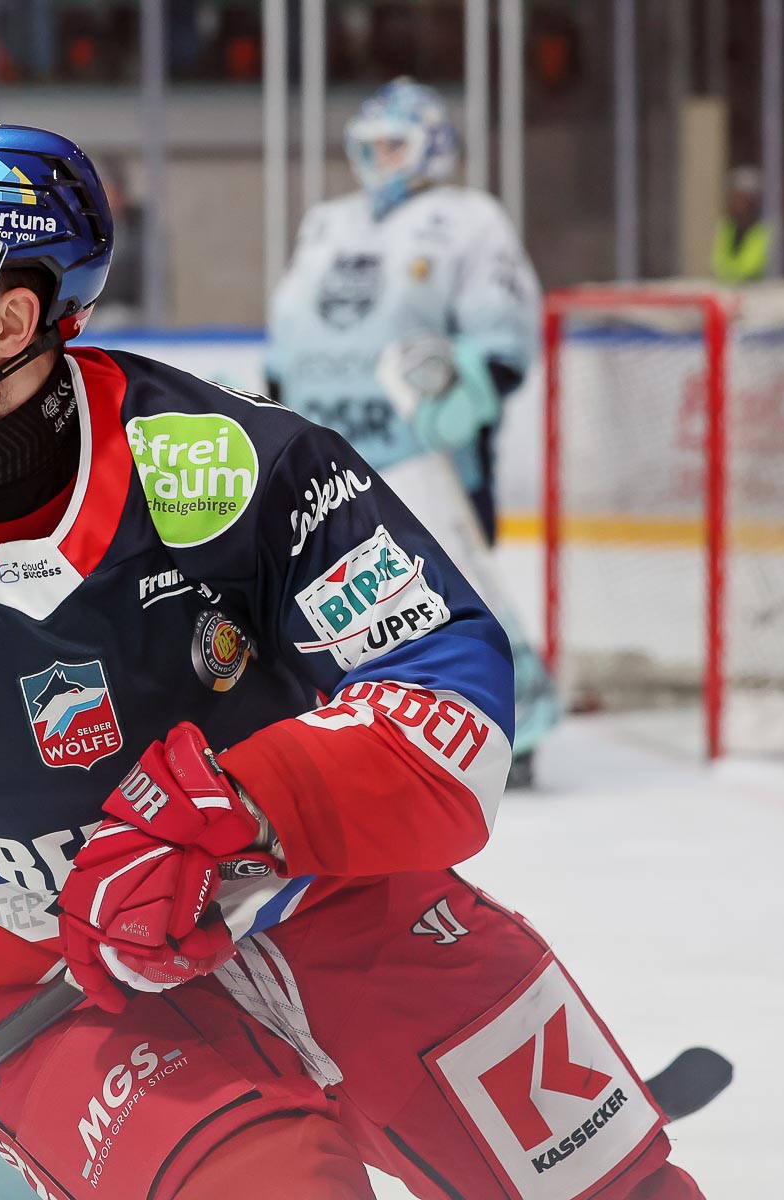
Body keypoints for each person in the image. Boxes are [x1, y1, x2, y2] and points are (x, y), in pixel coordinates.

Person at [0, 122, 704, 1200]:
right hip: (68, 997)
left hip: (340, 909)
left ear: (6, 322)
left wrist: (240, 807)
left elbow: (452, 700)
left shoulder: (232, 466)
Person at [267, 78, 557, 784]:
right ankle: (375, 726)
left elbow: (503, 338)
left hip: (425, 450)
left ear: (435, 146)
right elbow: (290, 329)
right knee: (342, 602)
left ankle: (514, 727)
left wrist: (467, 385)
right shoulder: (329, 221)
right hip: (329, 452)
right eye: (369, 145)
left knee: (451, 591)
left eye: (396, 144)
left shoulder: (469, 219)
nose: (380, 158)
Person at [712, 165, 768, 285]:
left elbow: (751, 267)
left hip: (758, 290)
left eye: (743, 197)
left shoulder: (763, 229)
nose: (738, 203)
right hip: (729, 288)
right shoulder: (728, 227)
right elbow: (717, 262)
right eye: (735, 197)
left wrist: (729, 272)